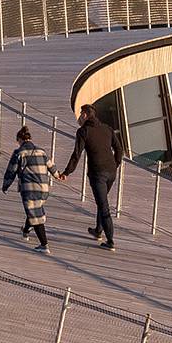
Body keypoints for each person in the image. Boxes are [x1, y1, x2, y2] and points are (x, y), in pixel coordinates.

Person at [63, 102, 124, 250]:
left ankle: (110, 241)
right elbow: (119, 149)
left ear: (84, 115)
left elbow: (76, 154)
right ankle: (98, 231)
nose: (79, 117)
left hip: (98, 174)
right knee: (101, 201)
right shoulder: (107, 128)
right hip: (111, 173)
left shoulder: (83, 131)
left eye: (80, 114)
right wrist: (114, 165)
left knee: (103, 206)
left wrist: (67, 172)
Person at [2, 125, 64, 254]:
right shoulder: (42, 151)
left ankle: (44, 244)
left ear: (20, 139)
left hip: (30, 190)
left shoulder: (19, 153)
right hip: (44, 190)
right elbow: (52, 168)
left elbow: (11, 171)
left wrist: (5, 185)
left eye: (17, 141)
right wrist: (59, 176)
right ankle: (25, 230)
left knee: (35, 216)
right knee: (34, 210)